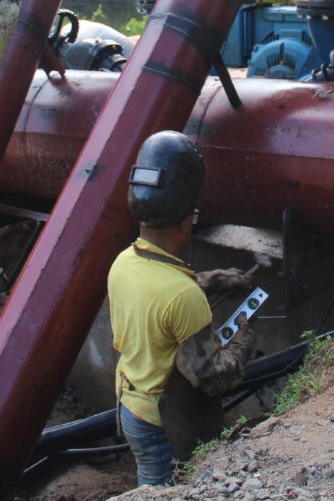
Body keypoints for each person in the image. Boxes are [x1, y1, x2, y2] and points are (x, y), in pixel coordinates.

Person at [108, 130, 258, 486]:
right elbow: (214, 378)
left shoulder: (124, 262)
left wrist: (220, 278)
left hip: (130, 404)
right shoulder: (182, 298)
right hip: (162, 420)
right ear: (187, 220)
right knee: (164, 490)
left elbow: (163, 297)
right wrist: (244, 334)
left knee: (149, 480)